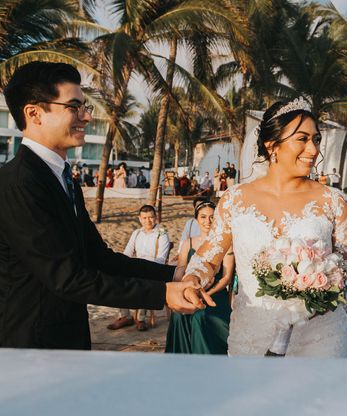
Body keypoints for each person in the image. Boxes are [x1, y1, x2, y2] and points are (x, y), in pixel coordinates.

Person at [0, 62, 203, 350]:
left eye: (85, 106)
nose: (86, 116)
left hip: (69, 335)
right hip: (30, 342)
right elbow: (67, 278)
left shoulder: (63, 179)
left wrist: (173, 274)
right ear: (34, 113)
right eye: (74, 107)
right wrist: (164, 294)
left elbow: (99, 258)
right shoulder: (18, 184)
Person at [182, 97, 347, 357]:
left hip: (320, 339)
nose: (313, 150)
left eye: (316, 139)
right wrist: (193, 278)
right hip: (253, 336)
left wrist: (322, 293)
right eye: (302, 139)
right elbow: (210, 255)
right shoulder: (235, 199)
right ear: (272, 146)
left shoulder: (333, 201)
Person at [166, 201, 234, 354]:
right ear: (196, 219)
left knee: (200, 316)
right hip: (189, 289)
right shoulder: (188, 243)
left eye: (212, 217)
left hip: (216, 293)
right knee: (178, 314)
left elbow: (226, 278)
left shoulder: (226, 244)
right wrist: (178, 288)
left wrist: (206, 295)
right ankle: (181, 361)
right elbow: (180, 269)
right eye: (203, 217)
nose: (207, 221)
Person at [108, 205, 172, 332]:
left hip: (153, 267)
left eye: (151, 217)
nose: (148, 221)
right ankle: (125, 316)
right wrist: (122, 266)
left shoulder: (162, 234)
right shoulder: (136, 233)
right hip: (136, 265)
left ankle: (140, 318)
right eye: (144, 218)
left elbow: (160, 259)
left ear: (156, 217)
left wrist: (142, 268)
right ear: (139, 219)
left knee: (144, 278)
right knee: (117, 276)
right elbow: (127, 252)